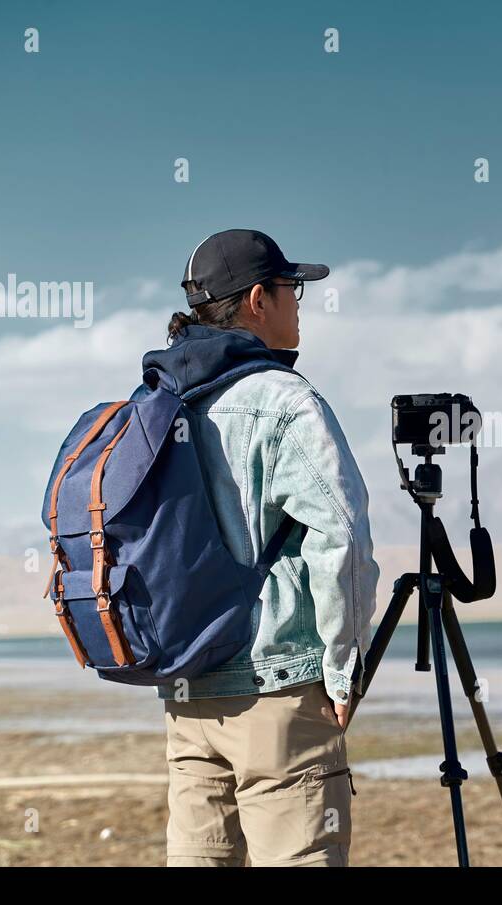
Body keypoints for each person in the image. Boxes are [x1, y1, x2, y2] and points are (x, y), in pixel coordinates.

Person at [138, 228, 379, 866]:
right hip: (277, 689)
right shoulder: (283, 401)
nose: (299, 303)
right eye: (291, 289)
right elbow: (343, 538)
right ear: (257, 301)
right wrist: (342, 671)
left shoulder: (163, 400)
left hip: (189, 690)